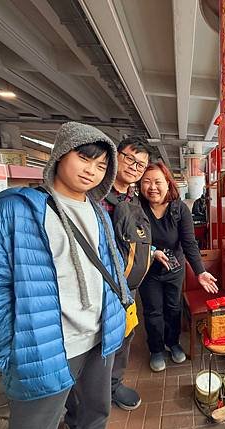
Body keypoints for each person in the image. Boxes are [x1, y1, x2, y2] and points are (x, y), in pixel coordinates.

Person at [0, 122, 131, 429]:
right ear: (60, 155)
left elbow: (109, 268)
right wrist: (11, 346)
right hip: (44, 345)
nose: (92, 171)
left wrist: (117, 317)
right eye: (84, 158)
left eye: (101, 166)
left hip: (100, 338)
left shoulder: (99, 213)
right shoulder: (15, 210)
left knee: (95, 413)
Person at [138, 162, 219, 372]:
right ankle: (156, 349)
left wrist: (200, 271)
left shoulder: (179, 208)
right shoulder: (137, 209)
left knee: (173, 309)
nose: (152, 187)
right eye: (146, 182)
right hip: (148, 272)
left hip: (175, 270)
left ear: (168, 183)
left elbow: (189, 243)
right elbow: (131, 240)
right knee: (153, 311)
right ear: (140, 185)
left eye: (157, 181)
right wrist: (152, 251)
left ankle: (172, 343)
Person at [99, 137, 152, 411]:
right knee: (99, 341)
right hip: (100, 285)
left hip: (127, 287)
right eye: (130, 159)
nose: (134, 167)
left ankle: (113, 386)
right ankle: (91, 397)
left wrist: (151, 252)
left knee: (125, 334)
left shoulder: (131, 198)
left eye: (140, 164)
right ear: (115, 157)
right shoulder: (94, 194)